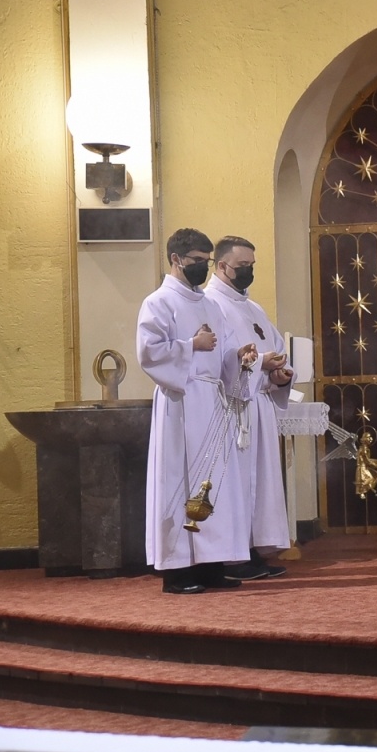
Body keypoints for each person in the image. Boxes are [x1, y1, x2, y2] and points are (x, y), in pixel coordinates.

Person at [138, 228, 259, 594]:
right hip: (180, 402)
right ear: (176, 260)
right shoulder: (157, 302)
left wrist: (238, 357)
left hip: (210, 400)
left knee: (214, 485)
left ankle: (211, 565)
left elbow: (221, 353)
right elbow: (149, 352)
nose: (203, 269)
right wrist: (191, 345)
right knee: (179, 482)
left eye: (206, 262)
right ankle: (177, 572)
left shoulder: (208, 305)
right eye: (196, 262)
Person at [205, 235, 294, 581]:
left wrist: (281, 374)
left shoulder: (253, 308)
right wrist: (260, 365)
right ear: (222, 266)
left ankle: (254, 551)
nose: (248, 273)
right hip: (232, 410)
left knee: (260, 483)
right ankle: (233, 557)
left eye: (252, 267)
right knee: (238, 483)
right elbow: (220, 362)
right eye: (243, 267)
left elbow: (273, 347)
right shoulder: (211, 305)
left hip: (259, 406)